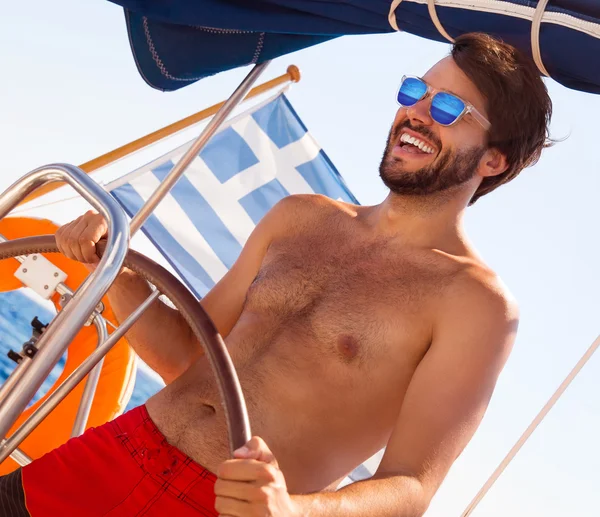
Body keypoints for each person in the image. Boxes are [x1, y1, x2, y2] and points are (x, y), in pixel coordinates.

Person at [1, 32, 552, 516]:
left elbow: (412, 486)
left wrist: (292, 511)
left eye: (450, 107)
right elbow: (186, 357)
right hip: (119, 450)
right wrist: (111, 265)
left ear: (493, 160)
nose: (417, 113)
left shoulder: (474, 304)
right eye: (415, 92)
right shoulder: (301, 217)